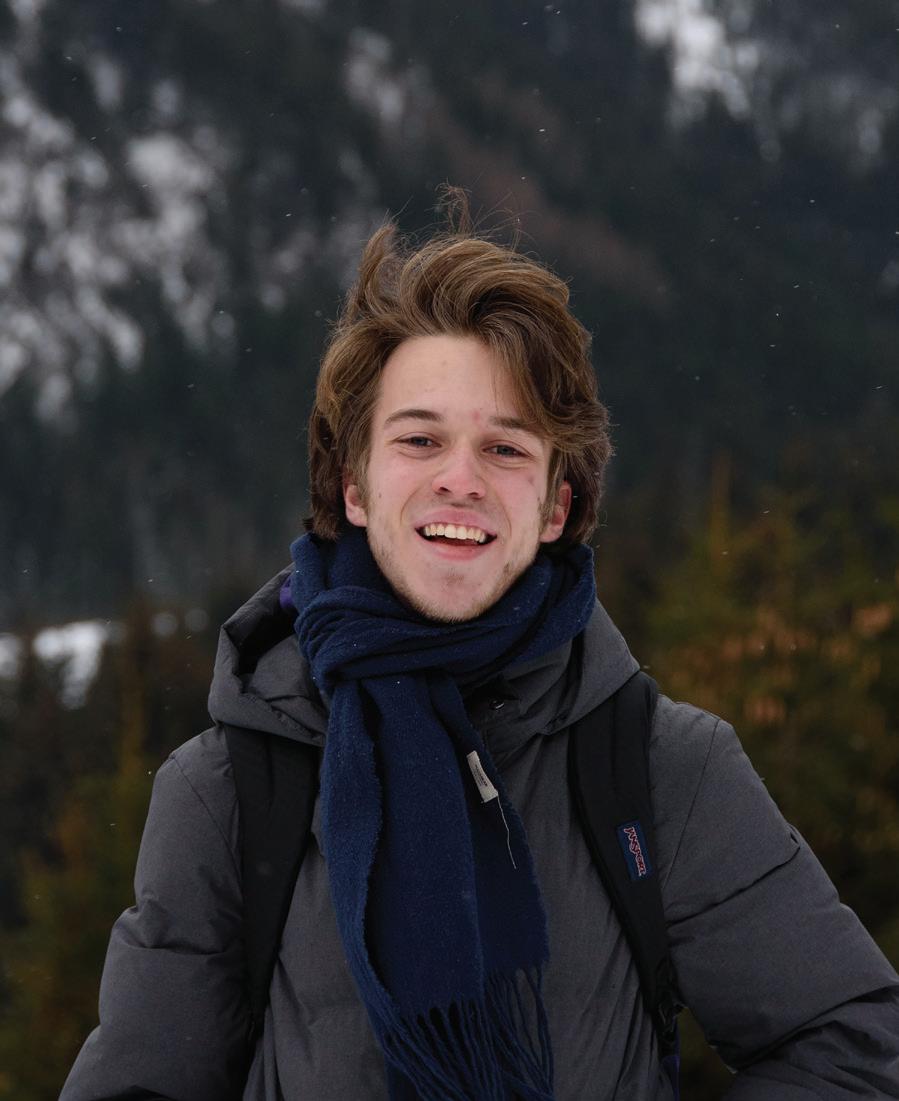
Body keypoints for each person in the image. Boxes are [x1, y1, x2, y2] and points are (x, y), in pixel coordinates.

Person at [62, 195, 899, 1101]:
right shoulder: (232, 787)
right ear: (353, 485)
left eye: (504, 448)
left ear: (556, 506)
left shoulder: (658, 768)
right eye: (419, 438)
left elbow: (851, 1044)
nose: (459, 478)